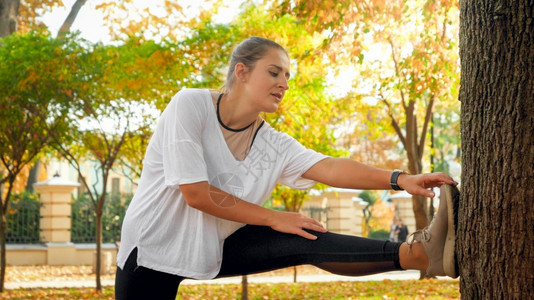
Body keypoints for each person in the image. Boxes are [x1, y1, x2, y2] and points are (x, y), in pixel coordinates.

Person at [114, 36, 460, 299]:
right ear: (242, 71)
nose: (285, 83)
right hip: (153, 248)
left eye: (287, 76)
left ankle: (419, 255)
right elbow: (196, 194)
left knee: (303, 234)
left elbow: (330, 167)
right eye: (274, 72)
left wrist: (401, 179)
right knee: (288, 224)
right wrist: (275, 217)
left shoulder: (271, 142)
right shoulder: (190, 106)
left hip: (216, 242)